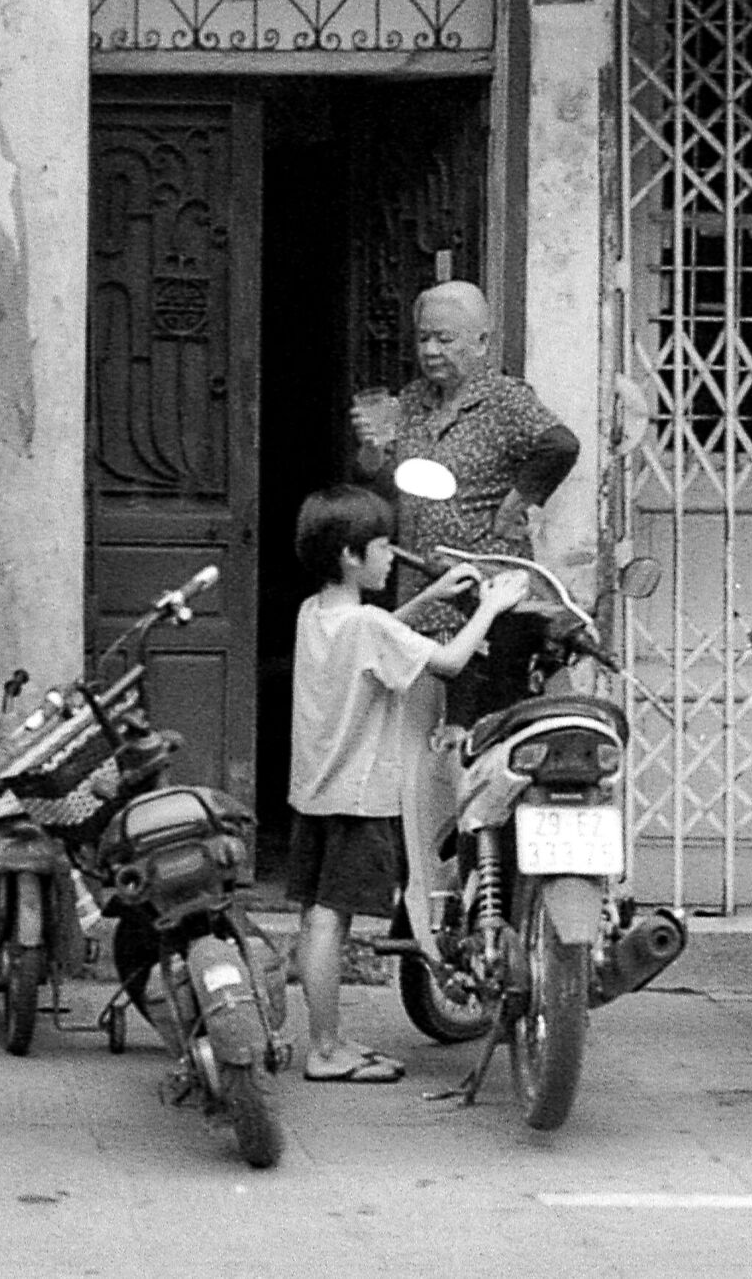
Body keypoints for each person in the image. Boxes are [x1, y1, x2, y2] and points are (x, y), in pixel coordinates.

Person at [288, 483, 526, 1084]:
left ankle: (329, 1039)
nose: (392, 557)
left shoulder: (317, 614)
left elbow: (375, 639)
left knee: (319, 916)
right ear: (350, 555)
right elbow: (446, 663)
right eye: (383, 547)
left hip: (317, 789)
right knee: (329, 920)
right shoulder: (365, 623)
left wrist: (428, 597)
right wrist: (489, 608)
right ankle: (323, 1050)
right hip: (359, 793)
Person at [351, 279, 579, 727]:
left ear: (481, 342)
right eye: (423, 338)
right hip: (422, 587)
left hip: (481, 597)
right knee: (422, 733)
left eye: (445, 338)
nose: (431, 350)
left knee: (477, 723)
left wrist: (517, 504)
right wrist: (373, 449)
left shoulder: (505, 399)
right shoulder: (413, 399)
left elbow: (560, 445)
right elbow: (383, 482)